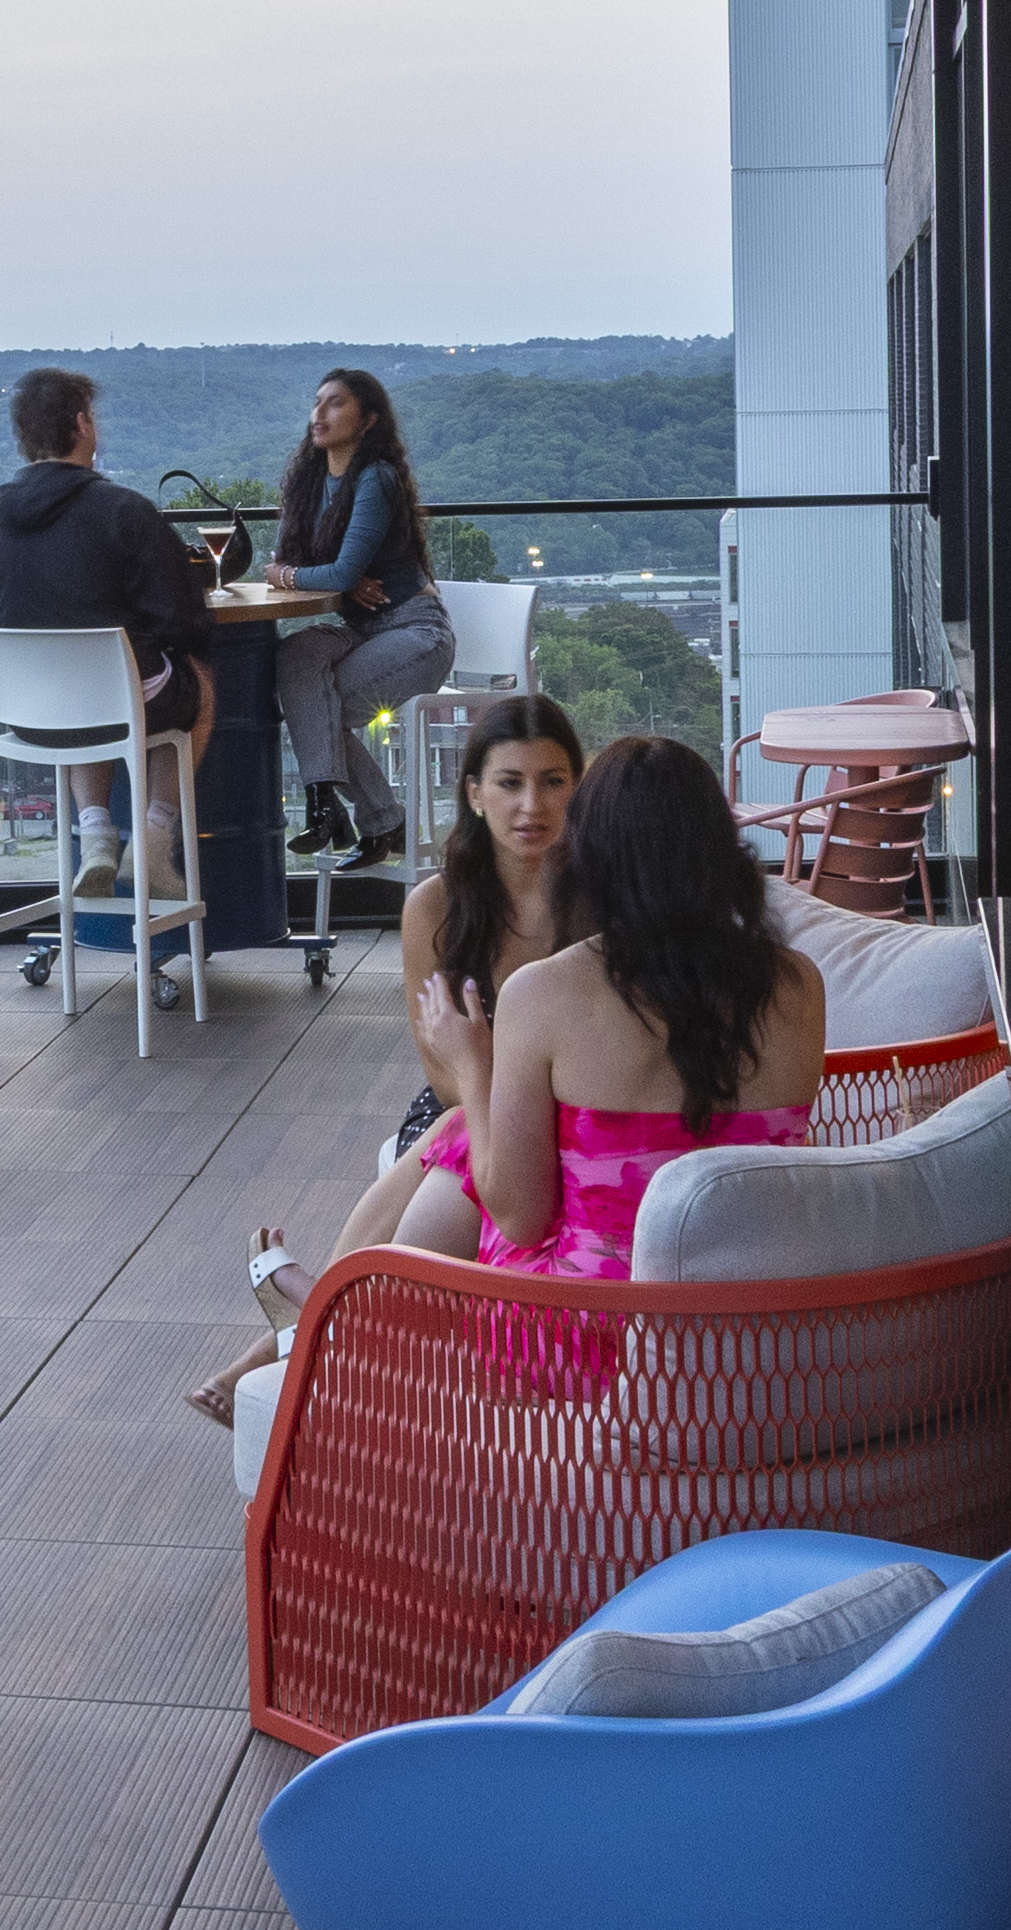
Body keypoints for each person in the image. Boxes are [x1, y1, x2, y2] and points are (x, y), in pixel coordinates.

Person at [191, 687, 578, 1428]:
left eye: (553, 781)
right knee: (455, 1121)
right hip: (462, 1105)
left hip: (565, 1115)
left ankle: (305, 1323)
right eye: (510, 782)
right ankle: (318, 1326)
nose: (533, 805)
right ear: (473, 793)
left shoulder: (598, 900)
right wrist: (494, 1085)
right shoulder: (436, 906)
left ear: (578, 788)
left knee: (459, 1127)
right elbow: (442, 1070)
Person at [461, 732, 835, 1287]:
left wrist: (472, 1066)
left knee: (454, 1148)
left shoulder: (539, 995)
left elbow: (521, 1220)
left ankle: (328, 1311)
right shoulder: (799, 983)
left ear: (589, 853)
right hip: (761, 1335)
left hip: (600, 1338)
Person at [0, 365, 213, 893]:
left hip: (29, 715)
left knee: (89, 690)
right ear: (82, 424)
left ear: (24, 439)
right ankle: (152, 839)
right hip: (119, 702)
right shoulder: (124, 510)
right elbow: (185, 621)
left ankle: (96, 834)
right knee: (196, 685)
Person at [257, 367, 450, 869]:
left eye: (335, 404)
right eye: (316, 402)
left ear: (368, 421)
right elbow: (317, 566)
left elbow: (332, 572)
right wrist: (330, 576)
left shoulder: (376, 479)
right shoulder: (310, 481)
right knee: (295, 656)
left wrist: (300, 575)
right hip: (361, 629)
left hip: (415, 630)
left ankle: (354, 815)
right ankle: (345, 814)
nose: (319, 414)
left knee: (319, 710)